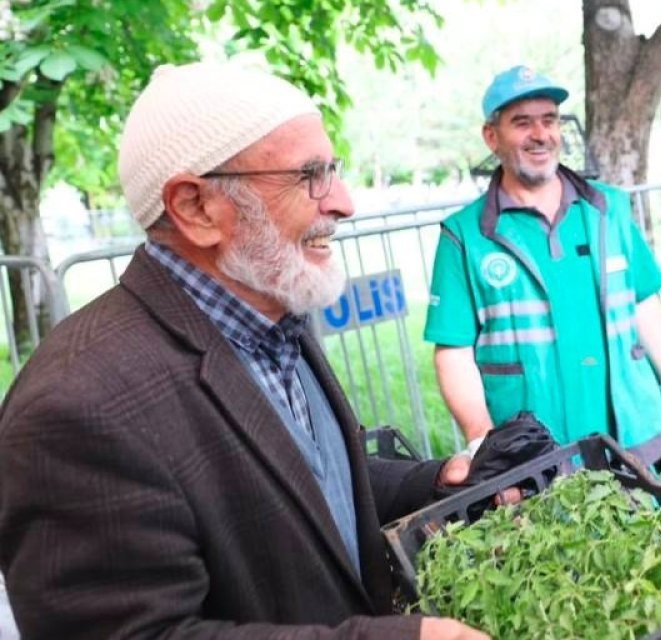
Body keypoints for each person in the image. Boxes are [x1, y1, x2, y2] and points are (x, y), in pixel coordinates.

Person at [0, 61, 495, 639]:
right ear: (196, 207)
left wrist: (438, 481)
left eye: (333, 169)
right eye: (309, 175)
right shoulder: (75, 409)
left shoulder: (273, 315)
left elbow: (300, 486)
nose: (344, 201)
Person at [425, 65, 661, 465]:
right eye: (522, 123)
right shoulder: (465, 236)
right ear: (491, 136)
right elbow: (454, 351)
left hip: (627, 433)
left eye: (550, 120)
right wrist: (480, 436)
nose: (541, 134)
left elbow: (643, 302)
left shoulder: (609, 209)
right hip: (531, 451)